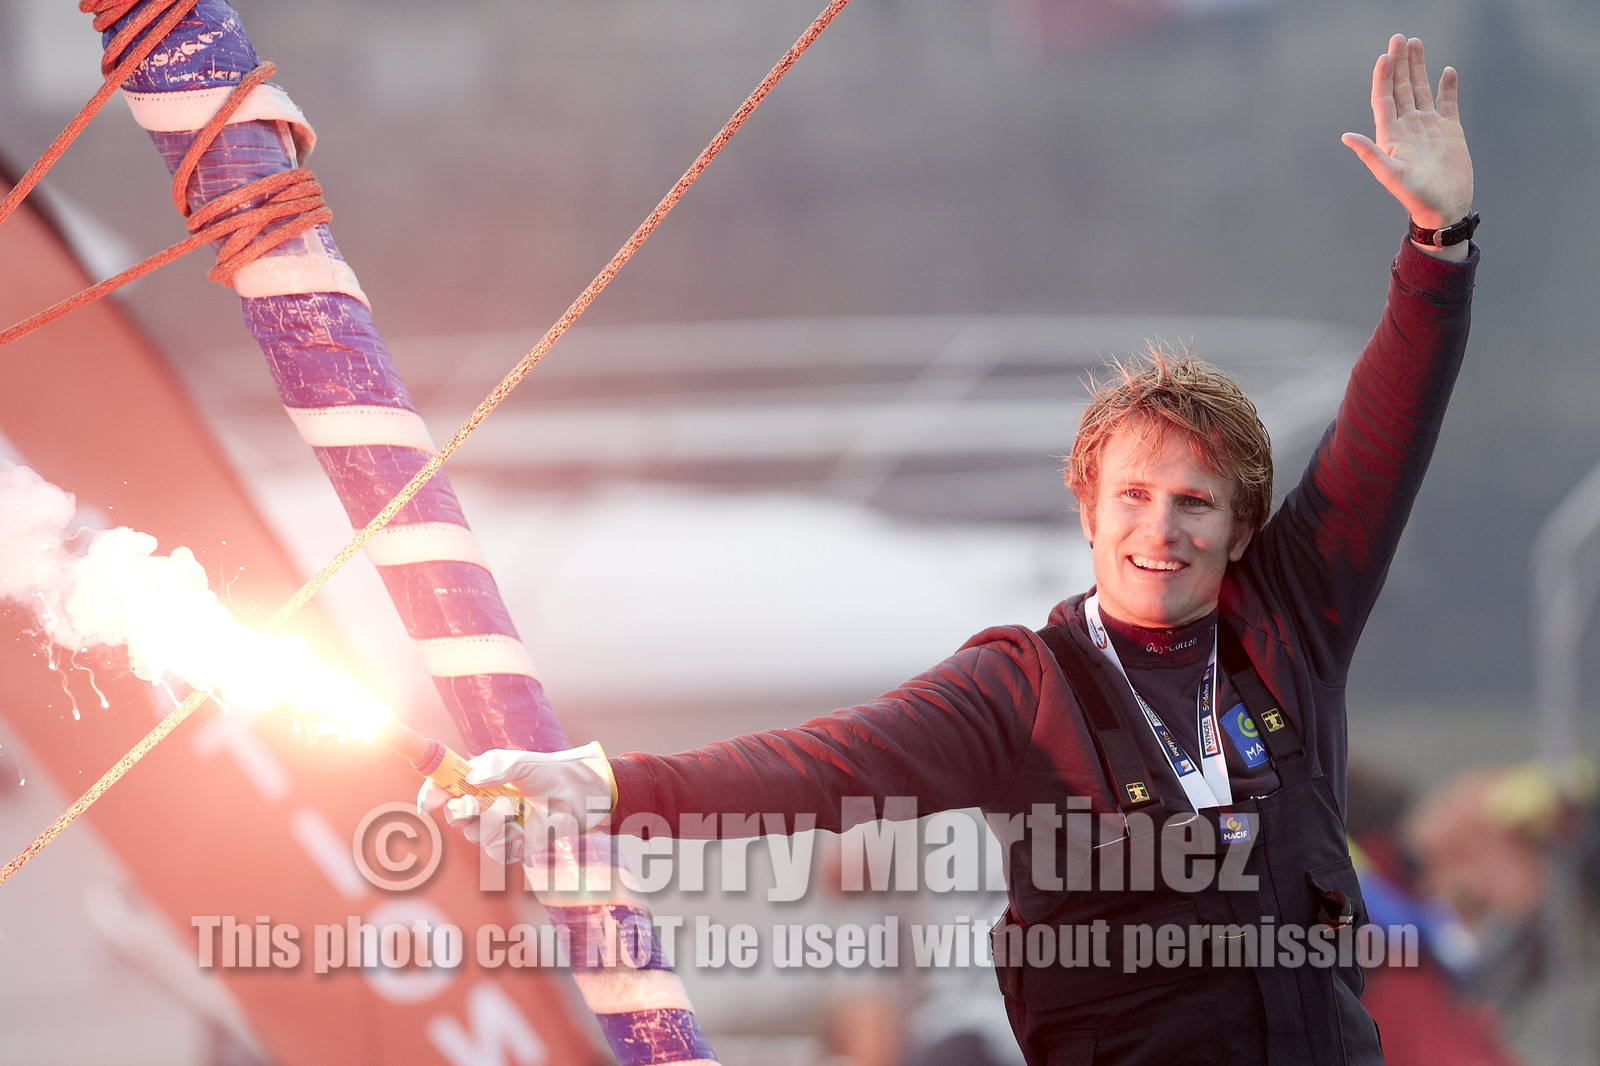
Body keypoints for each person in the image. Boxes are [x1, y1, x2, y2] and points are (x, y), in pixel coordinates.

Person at [422, 34, 1477, 1066]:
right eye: (1135, 495)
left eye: (1195, 503)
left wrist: (1438, 242)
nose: (1161, 529)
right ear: (1088, 510)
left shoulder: (1289, 617)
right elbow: (817, 768)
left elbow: (1386, 433)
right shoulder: (1018, 689)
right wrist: (605, 785)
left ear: (1240, 528)